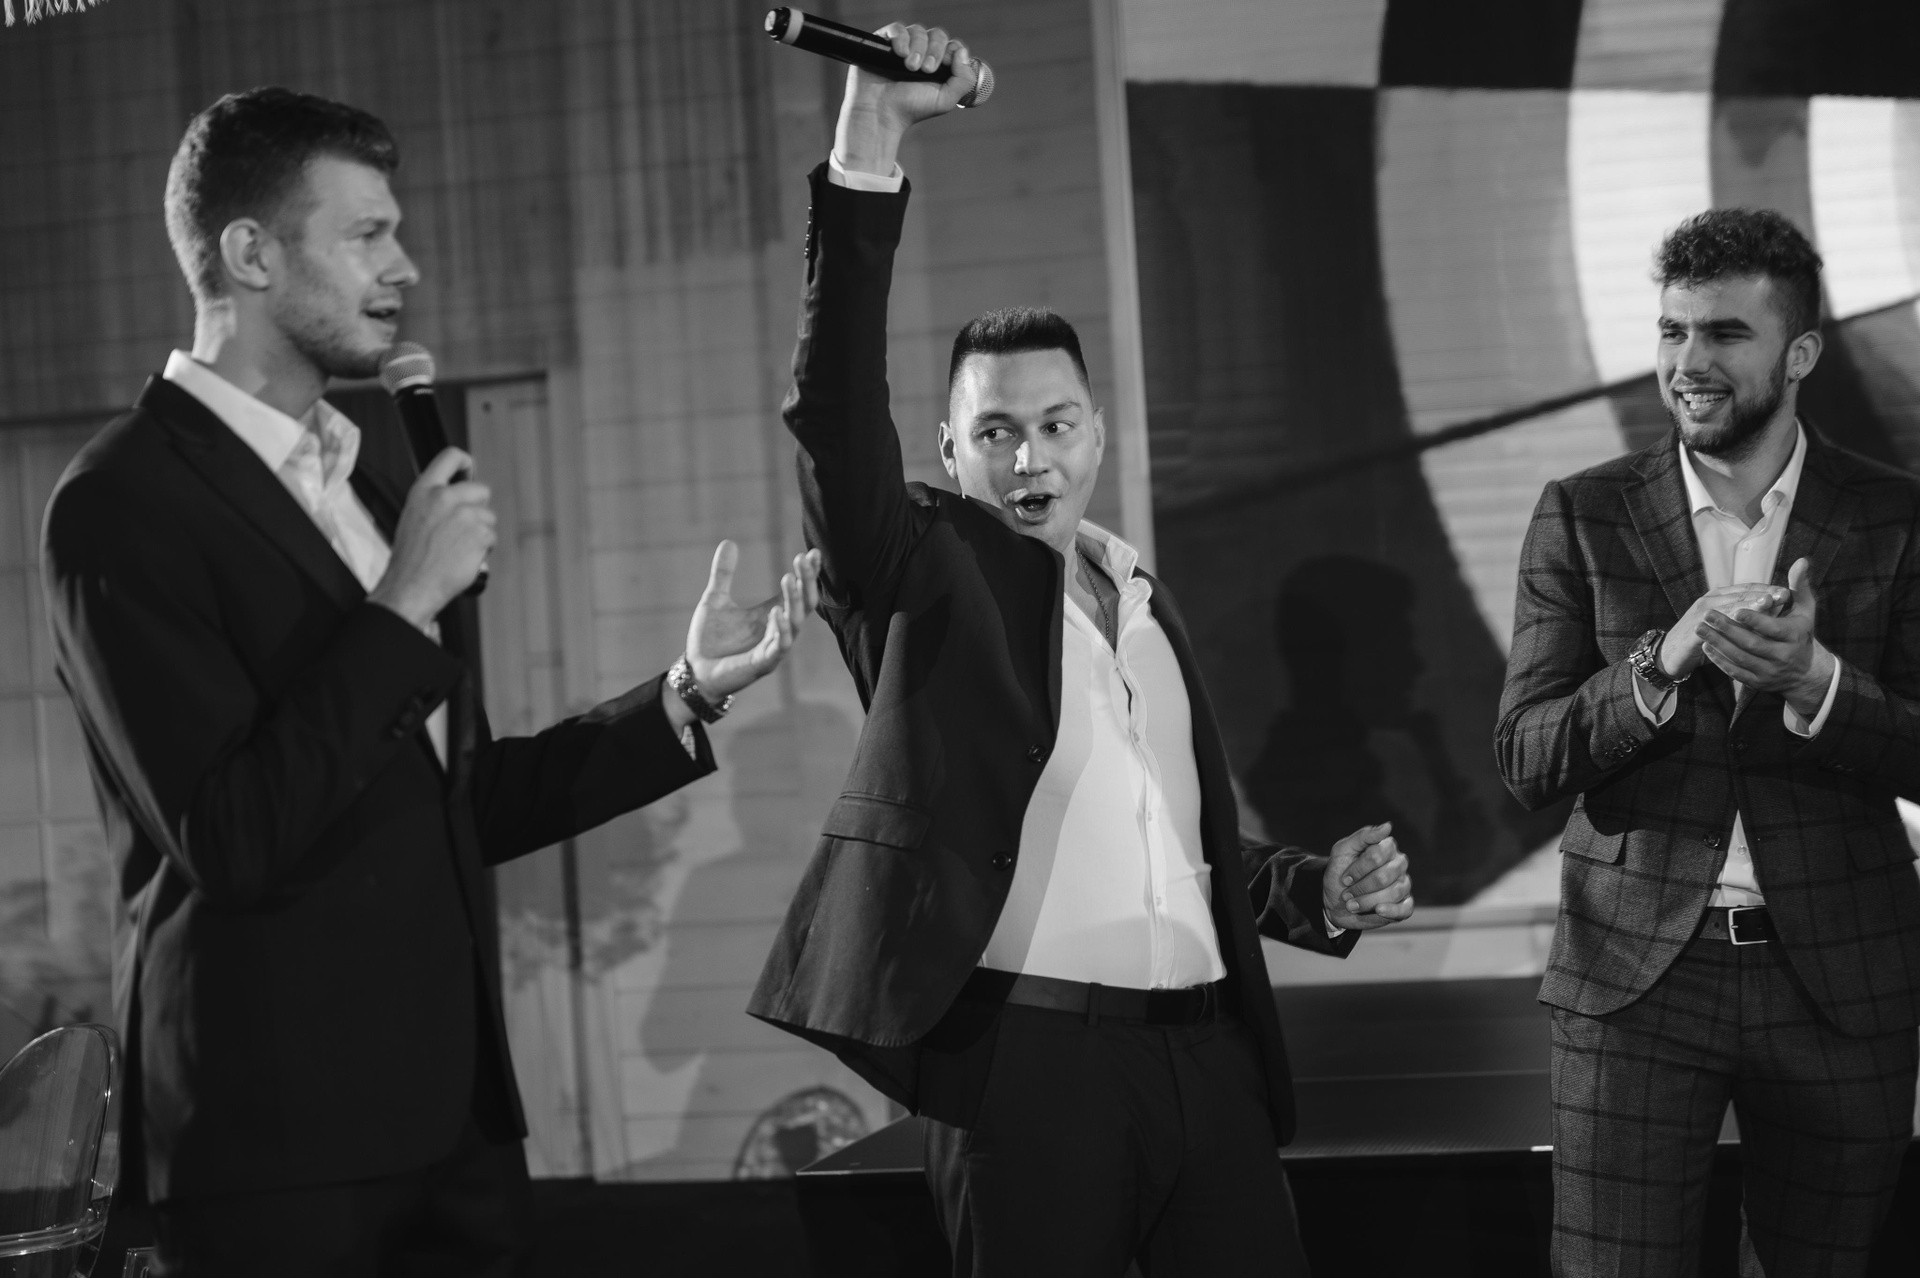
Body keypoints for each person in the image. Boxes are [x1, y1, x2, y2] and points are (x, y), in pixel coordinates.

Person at [42, 87, 820, 1277]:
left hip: (454, 1127)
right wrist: (403, 604)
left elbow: (457, 799)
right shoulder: (120, 502)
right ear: (250, 254)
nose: (403, 265)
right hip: (280, 1148)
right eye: (366, 234)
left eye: (395, 232)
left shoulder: (360, 483)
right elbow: (229, 833)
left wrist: (685, 692)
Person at [748, 25, 1414, 1276]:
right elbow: (833, 414)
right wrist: (870, 137)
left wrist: (1311, 891)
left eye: (1055, 425)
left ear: (1097, 433)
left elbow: (1174, 843)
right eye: (995, 433)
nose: (1029, 458)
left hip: (1210, 1061)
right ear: (949, 455)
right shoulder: (923, 580)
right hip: (1030, 1078)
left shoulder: (1141, 597)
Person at [1497, 208, 1920, 1276]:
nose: (1689, 363)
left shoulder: (1894, 517)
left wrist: (1816, 684)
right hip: (1634, 983)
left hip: (1842, 979)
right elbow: (1526, 756)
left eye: (1726, 333)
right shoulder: (1584, 515)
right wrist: (1660, 661)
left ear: (1801, 353)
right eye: (1672, 331)